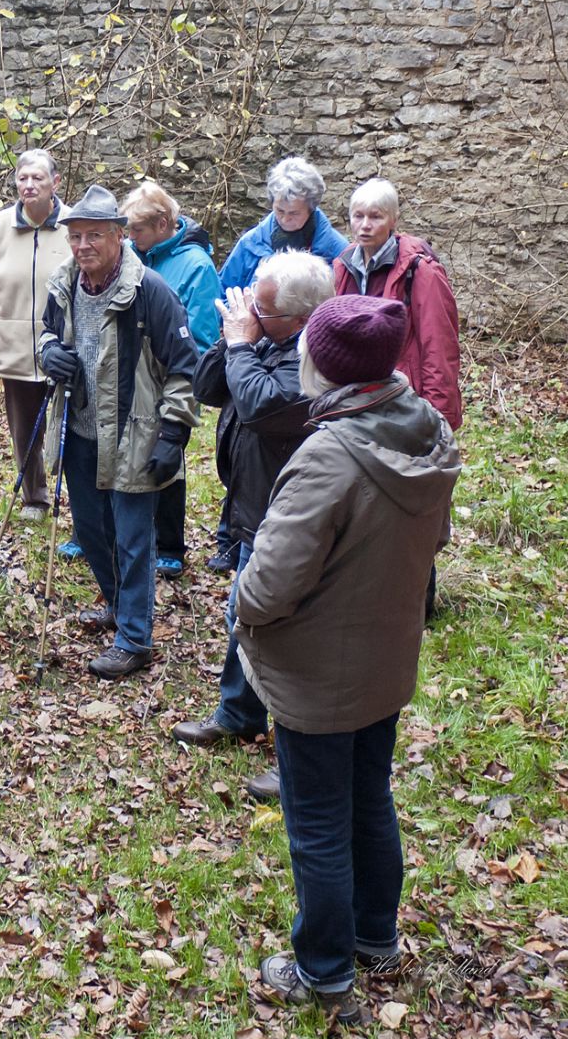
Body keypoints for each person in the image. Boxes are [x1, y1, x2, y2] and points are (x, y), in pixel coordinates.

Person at [238, 295, 461, 1025]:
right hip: (385, 658)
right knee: (369, 796)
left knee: (318, 823)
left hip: (316, 677)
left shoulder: (328, 456)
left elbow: (267, 589)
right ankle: (375, 938)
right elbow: (433, 541)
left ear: (324, 366)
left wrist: (238, 596)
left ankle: (324, 973)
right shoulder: (424, 427)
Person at [169, 252, 336, 803]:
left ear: (300, 318)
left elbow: (264, 407)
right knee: (242, 615)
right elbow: (209, 388)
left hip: (289, 517)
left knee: (281, 629)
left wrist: (242, 344)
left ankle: (296, 752)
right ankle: (238, 714)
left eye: (262, 309)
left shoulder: (315, 360)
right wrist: (233, 340)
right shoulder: (267, 337)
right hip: (252, 506)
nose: (251, 316)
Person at [36, 185, 200, 680]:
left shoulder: (150, 291)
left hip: (134, 433)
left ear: (118, 236)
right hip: (79, 430)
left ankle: (134, 639)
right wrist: (50, 353)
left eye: (94, 236)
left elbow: (184, 368)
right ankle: (116, 604)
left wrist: (172, 434)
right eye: (76, 236)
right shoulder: (65, 284)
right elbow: (45, 332)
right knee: (92, 532)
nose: (83, 245)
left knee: (133, 539)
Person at [213, 157, 347, 572]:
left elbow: (338, 309)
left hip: (296, 357)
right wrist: (236, 333)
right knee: (244, 448)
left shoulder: (333, 249)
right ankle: (230, 536)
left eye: (294, 212)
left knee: (271, 448)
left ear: (312, 209)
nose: (285, 218)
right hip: (255, 348)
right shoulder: (253, 242)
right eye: (279, 210)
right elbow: (225, 287)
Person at [122, 181, 222, 578]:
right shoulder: (132, 254)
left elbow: (202, 335)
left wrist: (182, 377)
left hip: (172, 376)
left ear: (162, 224)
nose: (130, 237)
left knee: (166, 454)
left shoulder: (196, 265)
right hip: (131, 374)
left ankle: (169, 545)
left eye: (137, 229)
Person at [0, 148, 72, 520]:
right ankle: (35, 498)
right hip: (14, 350)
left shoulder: (74, 227)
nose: (29, 185)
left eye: (37, 178)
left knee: (71, 429)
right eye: (22, 178)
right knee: (24, 430)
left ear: (55, 182)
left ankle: (81, 498)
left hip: (63, 350)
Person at [334, 177, 462, 431]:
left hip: (402, 398)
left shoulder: (420, 271)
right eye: (358, 216)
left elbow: (439, 347)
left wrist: (438, 418)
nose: (365, 225)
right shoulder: (343, 266)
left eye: (376, 217)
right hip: (353, 398)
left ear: (393, 220)